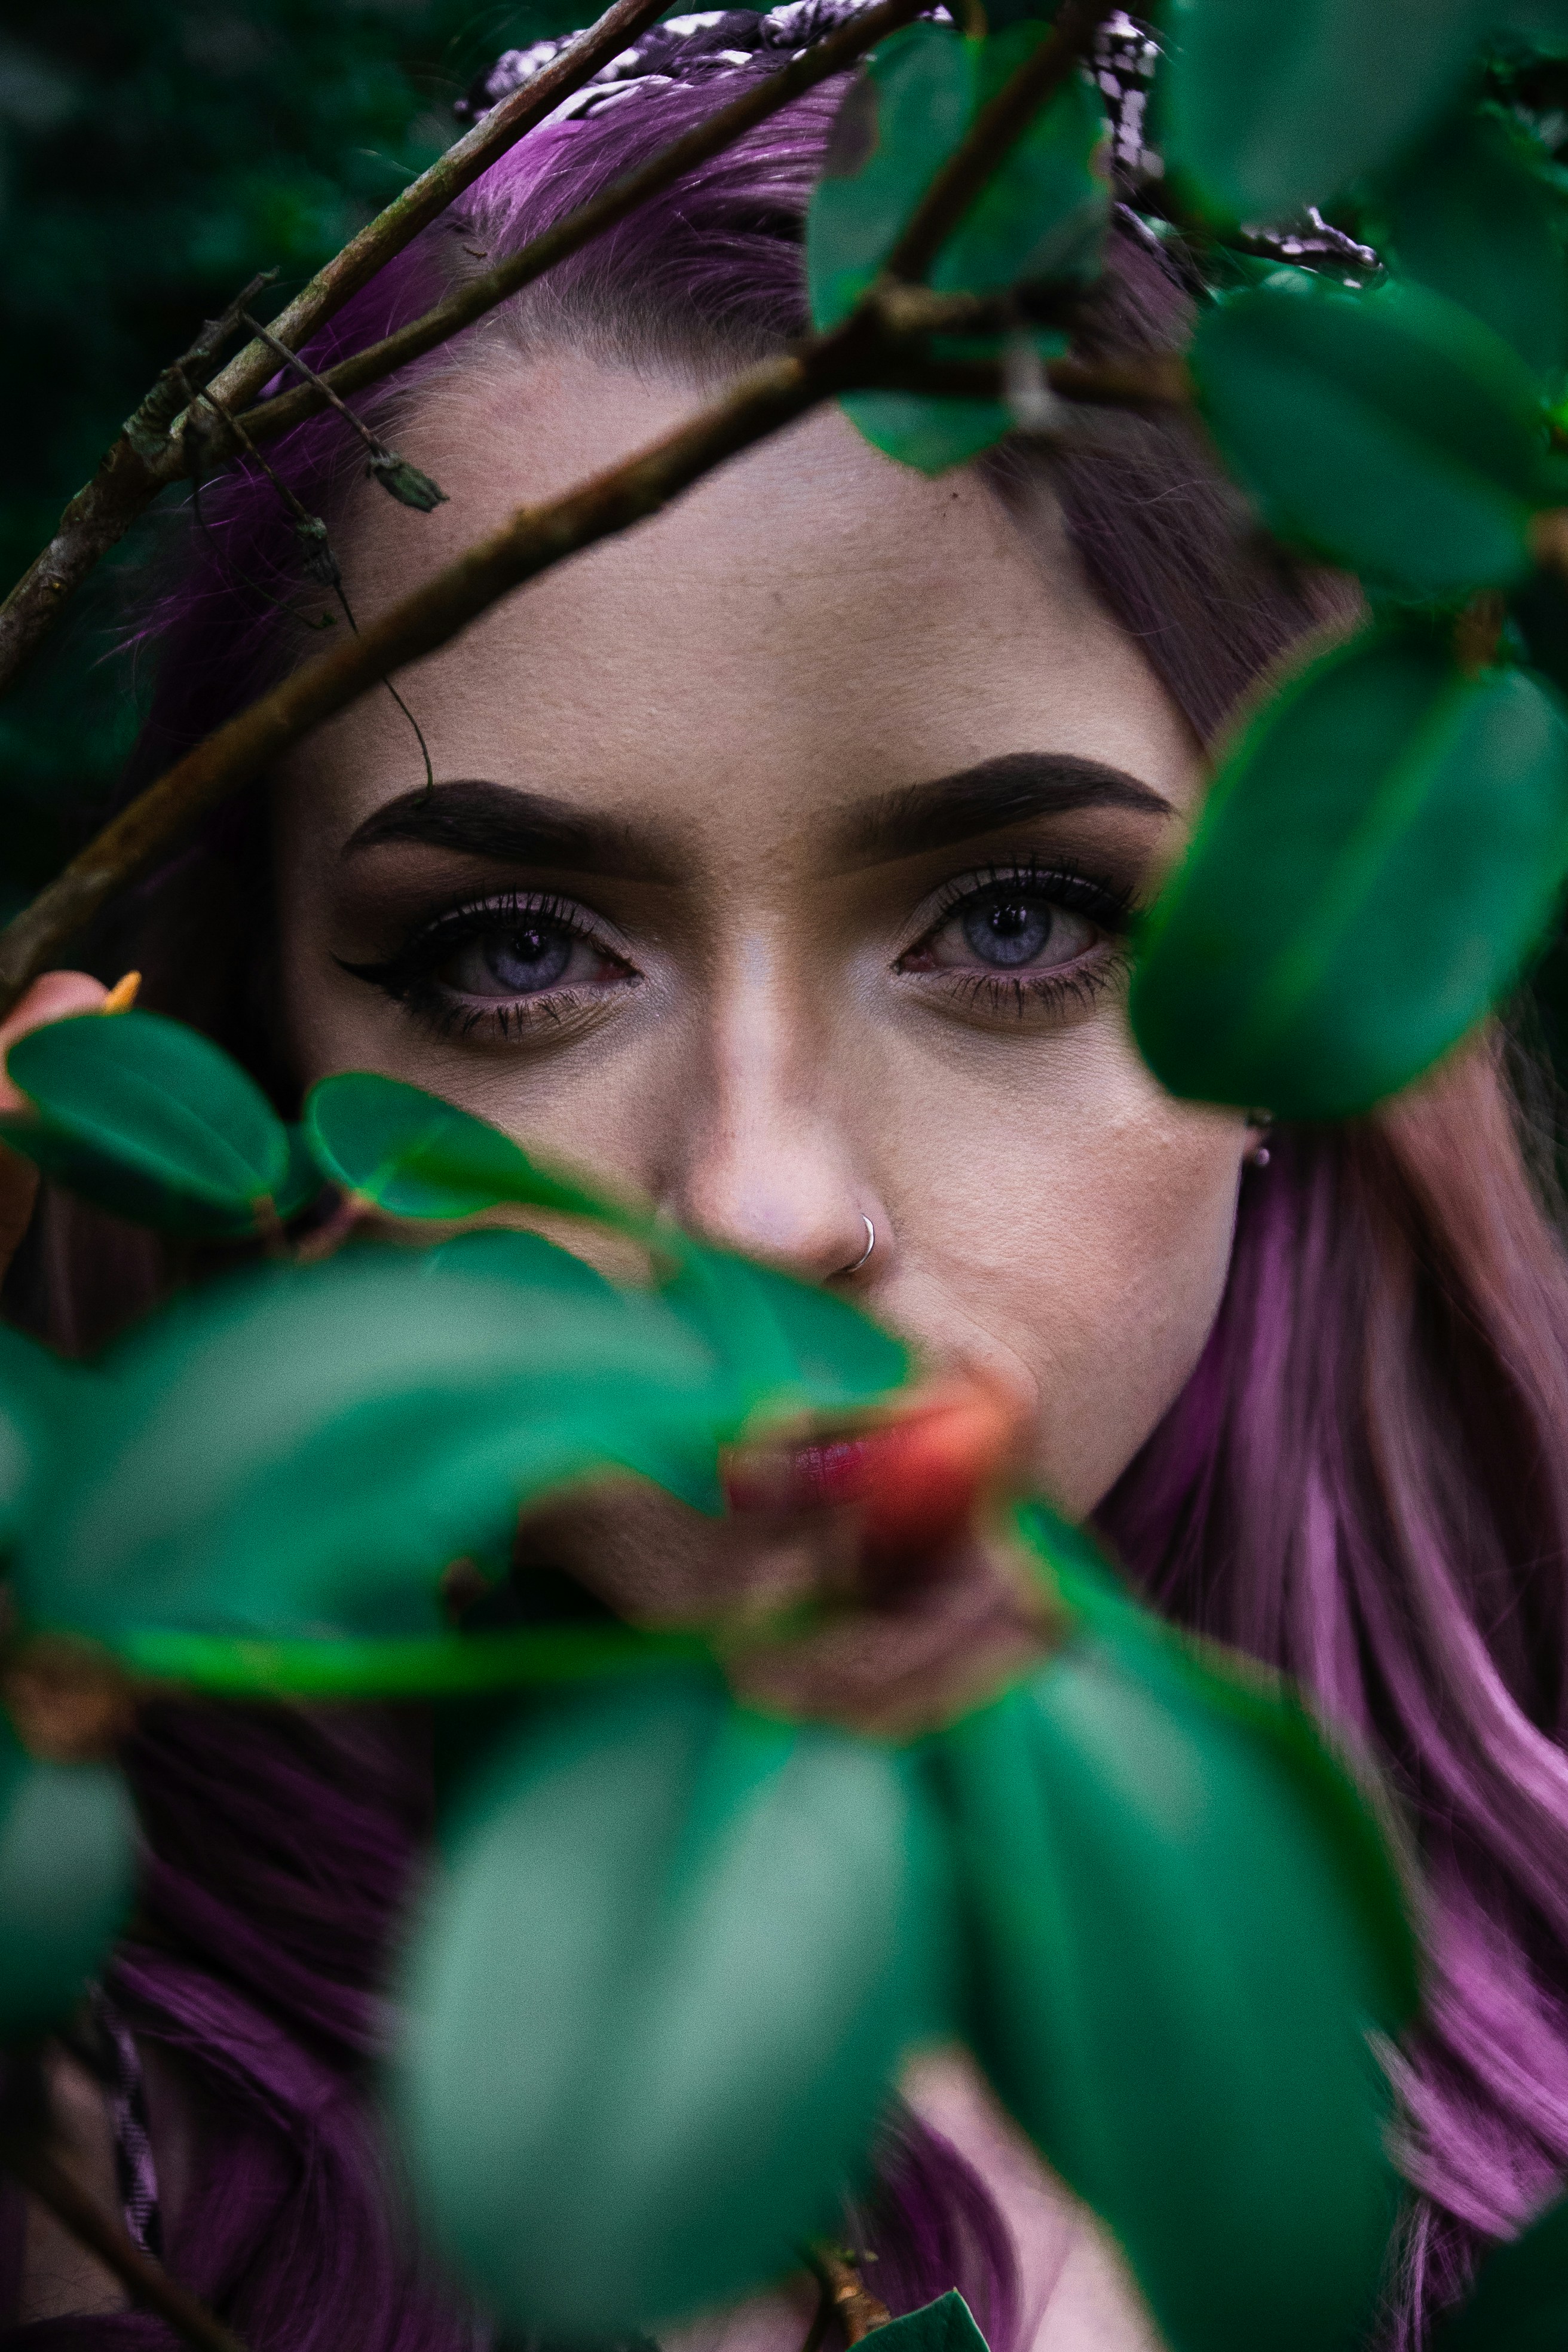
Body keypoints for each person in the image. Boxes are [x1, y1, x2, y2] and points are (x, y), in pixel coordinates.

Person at [4, 7, 1568, 2345]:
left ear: (1297, 990)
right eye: (511, 951)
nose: (752, 1207)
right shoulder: (85, 2162)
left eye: (1019, 920)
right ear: (261, 1048)